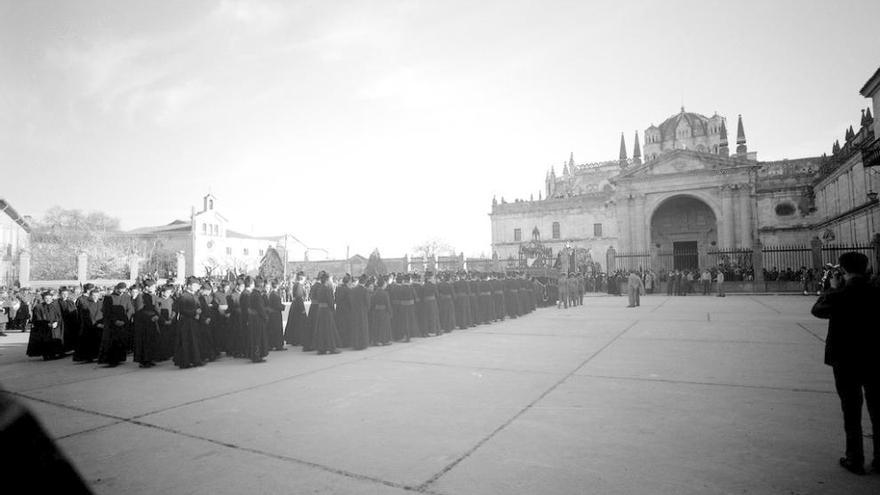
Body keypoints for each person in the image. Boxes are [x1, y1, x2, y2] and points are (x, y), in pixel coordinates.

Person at [811, 252, 880, 475]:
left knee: (851, 412)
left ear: (843, 270)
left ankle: (855, 459)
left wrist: (832, 287)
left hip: (845, 360)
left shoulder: (840, 294)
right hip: (874, 359)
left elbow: (818, 310)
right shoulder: (876, 292)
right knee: (878, 410)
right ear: (866, 267)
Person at [98, 283, 132, 367]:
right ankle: (111, 361)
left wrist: (125, 320)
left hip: (123, 323)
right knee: (111, 343)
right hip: (112, 324)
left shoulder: (126, 297)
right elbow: (106, 311)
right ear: (117, 289)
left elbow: (130, 309)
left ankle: (120, 358)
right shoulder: (108, 297)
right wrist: (115, 321)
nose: (122, 292)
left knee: (121, 341)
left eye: (123, 290)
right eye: (120, 290)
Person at [173, 277, 203, 369]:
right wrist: (195, 313)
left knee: (194, 341)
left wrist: (199, 311)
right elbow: (182, 310)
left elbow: (198, 306)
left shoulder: (194, 296)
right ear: (189, 286)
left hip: (193, 321)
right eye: (194, 285)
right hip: (186, 322)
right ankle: (185, 362)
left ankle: (195, 360)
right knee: (186, 342)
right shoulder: (184, 296)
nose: (196, 287)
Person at [26, 291, 65, 360]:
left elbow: (59, 316)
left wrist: (57, 322)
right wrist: (47, 324)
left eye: (49, 298)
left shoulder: (55, 306)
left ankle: (53, 354)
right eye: (46, 298)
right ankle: (46, 355)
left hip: (54, 326)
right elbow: (37, 319)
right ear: (43, 299)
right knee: (45, 341)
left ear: (52, 298)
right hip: (43, 327)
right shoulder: (38, 307)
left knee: (54, 340)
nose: (48, 300)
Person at [133, 280, 161, 368]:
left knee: (151, 341)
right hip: (143, 323)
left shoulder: (152, 296)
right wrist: (150, 317)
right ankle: (143, 361)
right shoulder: (140, 297)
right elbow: (139, 311)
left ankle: (150, 358)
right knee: (144, 341)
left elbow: (156, 308)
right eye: (152, 287)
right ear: (146, 287)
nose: (154, 288)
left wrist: (157, 315)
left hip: (151, 322)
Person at [312, 271, 341, 354]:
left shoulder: (319, 288)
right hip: (326, 311)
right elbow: (331, 302)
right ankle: (331, 347)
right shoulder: (327, 289)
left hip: (320, 310)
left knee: (321, 329)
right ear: (327, 280)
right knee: (329, 330)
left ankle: (321, 348)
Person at [248, 278, 270, 362]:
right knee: (258, 338)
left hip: (253, 318)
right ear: (260, 286)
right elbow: (260, 308)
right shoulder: (257, 295)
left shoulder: (252, 293)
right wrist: (265, 317)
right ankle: (256, 356)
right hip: (257, 319)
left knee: (255, 337)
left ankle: (255, 355)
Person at [284, 272, 308, 347]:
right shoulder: (299, 286)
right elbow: (299, 297)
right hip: (298, 307)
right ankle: (298, 339)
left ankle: (294, 339)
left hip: (294, 306)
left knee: (294, 323)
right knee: (299, 324)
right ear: (302, 278)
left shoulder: (295, 285)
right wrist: (302, 309)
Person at [369, 276, 393, 346]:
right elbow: (388, 304)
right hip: (384, 312)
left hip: (376, 312)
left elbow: (372, 304)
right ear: (382, 285)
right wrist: (390, 312)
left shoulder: (374, 293)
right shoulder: (385, 293)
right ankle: (384, 341)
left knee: (377, 326)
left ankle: (377, 341)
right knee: (384, 327)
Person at [349, 274, 371, 350]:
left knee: (356, 327)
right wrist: (367, 309)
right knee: (362, 328)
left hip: (355, 311)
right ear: (364, 282)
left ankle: (355, 344)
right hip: (362, 312)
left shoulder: (353, 290)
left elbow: (351, 301)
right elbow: (367, 302)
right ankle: (362, 344)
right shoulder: (365, 290)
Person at [266, 280, 286, 351]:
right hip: (276, 313)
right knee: (277, 330)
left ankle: (273, 344)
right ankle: (278, 345)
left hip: (273, 314)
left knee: (274, 330)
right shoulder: (275, 294)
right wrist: (283, 307)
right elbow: (277, 305)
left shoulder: (272, 294)